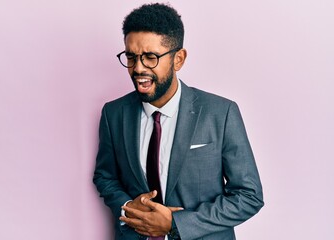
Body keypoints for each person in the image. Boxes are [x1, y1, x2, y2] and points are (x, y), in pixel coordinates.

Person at [93, 3, 264, 240]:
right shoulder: (114, 113)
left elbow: (249, 195)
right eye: (131, 57)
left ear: (178, 59)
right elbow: (105, 176)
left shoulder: (221, 113)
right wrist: (128, 206)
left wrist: (175, 224)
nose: (138, 68)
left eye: (150, 57)